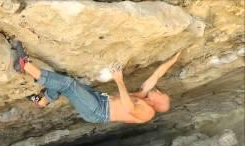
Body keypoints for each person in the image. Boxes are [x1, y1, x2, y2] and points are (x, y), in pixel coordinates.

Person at [11, 40, 181, 124]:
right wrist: (174, 59)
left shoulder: (148, 113)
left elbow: (129, 107)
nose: (158, 91)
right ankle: (43, 100)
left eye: (161, 95)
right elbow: (157, 75)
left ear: (157, 104)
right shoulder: (144, 96)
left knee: (69, 84)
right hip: (100, 99)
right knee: (66, 84)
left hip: (99, 111)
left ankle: (24, 65)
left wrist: (119, 81)